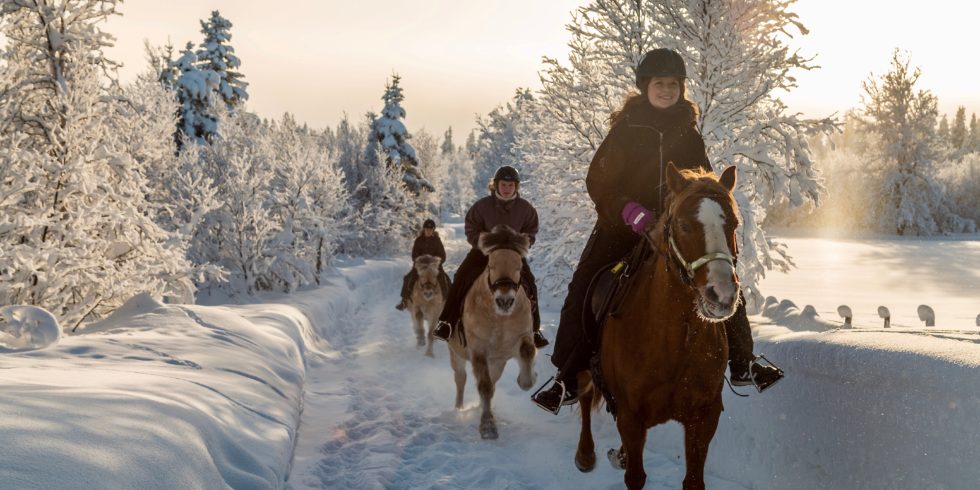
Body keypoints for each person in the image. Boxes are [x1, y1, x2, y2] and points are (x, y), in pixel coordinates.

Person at [531, 48, 784, 414]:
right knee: (584, 281)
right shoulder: (625, 131)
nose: (666, 90)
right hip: (621, 229)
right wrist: (632, 213)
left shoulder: (689, 134)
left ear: (681, 88)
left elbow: (705, 183)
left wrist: (709, 206)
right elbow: (598, 182)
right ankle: (567, 377)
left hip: (676, 229)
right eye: (659, 83)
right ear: (645, 87)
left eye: (673, 84)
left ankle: (744, 363)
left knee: (722, 269)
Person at [432, 165, 549, 349]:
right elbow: (471, 228)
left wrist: (520, 245)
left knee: (530, 283)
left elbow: (531, 231)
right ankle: (447, 322)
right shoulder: (482, 206)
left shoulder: (526, 209)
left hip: (512, 256)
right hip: (482, 254)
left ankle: (534, 330)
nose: (507, 188)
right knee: (461, 276)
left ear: (516, 187)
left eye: (511, 185)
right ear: (496, 185)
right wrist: (483, 244)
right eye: (503, 184)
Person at [395, 218, 450, 311]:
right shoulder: (419, 240)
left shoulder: (437, 241)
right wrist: (419, 262)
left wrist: (436, 262)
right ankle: (404, 300)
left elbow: (443, 255)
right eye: (427, 229)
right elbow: (414, 255)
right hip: (420, 267)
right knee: (408, 278)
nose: (428, 231)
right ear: (424, 229)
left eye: (431, 229)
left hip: (434, 267)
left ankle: (448, 301)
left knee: (445, 279)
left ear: (433, 230)